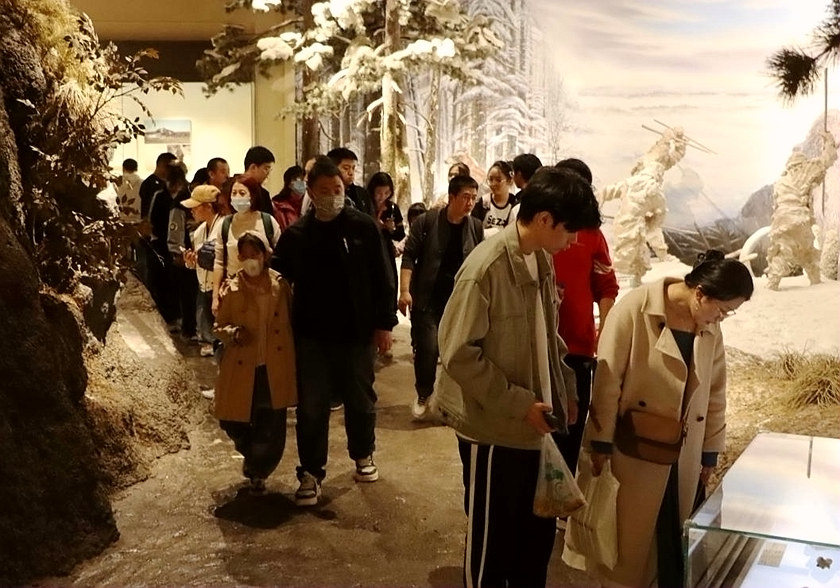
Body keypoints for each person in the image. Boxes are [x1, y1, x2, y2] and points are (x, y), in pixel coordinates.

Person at [430, 167, 601, 588]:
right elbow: (458, 354)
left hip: (533, 426)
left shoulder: (540, 258)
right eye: (570, 230)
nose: (574, 240)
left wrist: (565, 388)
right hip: (493, 430)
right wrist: (519, 403)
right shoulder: (486, 267)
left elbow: (548, 335)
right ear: (544, 219)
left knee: (533, 540)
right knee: (492, 545)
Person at [568, 251, 753, 588]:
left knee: (671, 543)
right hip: (633, 451)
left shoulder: (709, 327)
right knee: (628, 545)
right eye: (723, 310)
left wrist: (710, 451)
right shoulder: (634, 309)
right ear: (701, 294)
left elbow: (715, 392)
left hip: (683, 453)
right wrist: (600, 442)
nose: (722, 318)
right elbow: (607, 382)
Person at [271, 156, 397, 507]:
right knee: (312, 406)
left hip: (356, 333)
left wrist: (384, 324)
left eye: (337, 189)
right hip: (311, 335)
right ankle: (311, 472)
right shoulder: (298, 235)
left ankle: (363, 454)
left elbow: (383, 277)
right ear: (311, 193)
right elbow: (275, 278)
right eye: (324, 190)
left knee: (361, 399)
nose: (332, 196)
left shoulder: (363, 228)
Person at [551, 158, 619, 482]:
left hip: (577, 346)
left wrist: (605, 329)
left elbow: (606, 285)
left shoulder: (592, 234)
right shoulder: (541, 227)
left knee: (570, 429)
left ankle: (561, 499)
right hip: (537, 345)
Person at [214, 231, 297, 494]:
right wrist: (233, 333)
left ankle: (258, 471)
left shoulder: (280, 287)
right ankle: (252, 457)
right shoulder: (232, 288)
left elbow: (292, 321)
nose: (251, 260)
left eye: (255, 254)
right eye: (246, 255)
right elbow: (219, 326)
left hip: (273, 365)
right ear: (239, 257)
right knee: (232, 420)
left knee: (270, 425)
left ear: (265, 255)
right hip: (242, 365)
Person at [399, 175, 483, 420]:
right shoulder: (426, 221)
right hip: (428, 299)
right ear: (452, 197)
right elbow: (409, 256)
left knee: (456, 353)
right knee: (428, 348)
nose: (470, 203)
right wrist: (404, 291)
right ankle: (424, 393)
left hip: (460, 302)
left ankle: (450, 401)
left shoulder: (475, 227)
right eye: (465, 197)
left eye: (474, 198)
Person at [600, 127, 688, 286]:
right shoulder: (647, 178)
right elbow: (664, 153)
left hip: (637, 216)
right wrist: (670, 138)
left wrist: (679, 142)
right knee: (629, 248)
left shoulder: (644, 177)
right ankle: (625, 277)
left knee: (636, 247)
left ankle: (636, 272)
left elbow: (671, 157)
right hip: (632, 221)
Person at [765, 130, 837, 290]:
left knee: (783, 250)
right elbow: (827, 159)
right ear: (801, 163)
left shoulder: (781, 181)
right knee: (806, 251)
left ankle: (773, 283)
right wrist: (829, 142)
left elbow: (776, 204)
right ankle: (815, 280)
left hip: (782, 221)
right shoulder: (806, 170)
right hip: (798, 218)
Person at [212, 176, 281, 316]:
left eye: (242, 193)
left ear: (252, 196)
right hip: (234, 290)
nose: (237, 197)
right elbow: (219, 262)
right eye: (234, 193)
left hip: (264, 291)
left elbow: (280, 256)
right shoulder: (225, 225)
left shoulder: (267, 222)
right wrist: (215, 297)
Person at [182, 185, 224, 358]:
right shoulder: (199, 231)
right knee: (208, 341)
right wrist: (190, 262)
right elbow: (199, 262)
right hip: (203, 286)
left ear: (208, 206)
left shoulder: (225, 226)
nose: (192, 211)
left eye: (195, 206)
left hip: (220, 287)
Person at [471, 160, 518, 237]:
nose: (493, 184)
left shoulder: (514, 205)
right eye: (490, 179)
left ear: (509, 181)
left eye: (498, 180)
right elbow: (474, 230)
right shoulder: (483, 202)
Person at [328, 147, 374, 216]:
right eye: (346, 168)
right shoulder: (325, 194)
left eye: (353, 168)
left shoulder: (361, 193)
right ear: (332, 168)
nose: (351, 173)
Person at [508, 154, 543, 220]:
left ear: (519, 174)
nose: (513, 177)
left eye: (513, 173)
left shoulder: (520, 204)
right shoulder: (545, 198)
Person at [243, 146, 275, 215]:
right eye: (266, 169)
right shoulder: (230, 188)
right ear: (253, 167)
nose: (268, 173)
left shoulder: (264, 194)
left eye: (269, 170)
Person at [272, 165, 305, 231]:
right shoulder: (278, 206)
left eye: (303, 180)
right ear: (289, 184)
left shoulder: (308, 203)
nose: (301, 183)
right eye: (295, 179)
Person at [115, 158, 142, 224]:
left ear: (123, 168)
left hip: (121, 221)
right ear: (136, 169)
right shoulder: (143, 183)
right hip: (138, 220)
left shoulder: (116, 182)